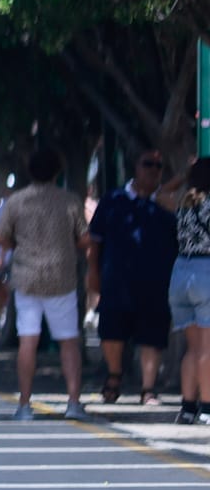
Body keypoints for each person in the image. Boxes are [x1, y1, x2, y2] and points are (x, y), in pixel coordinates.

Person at [0, 148, 91, 421]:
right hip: (62, 277)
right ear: (57, 171)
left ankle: (24, 404)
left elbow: (1, 238)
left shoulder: (16, 202)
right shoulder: (69, 201)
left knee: (28, 341)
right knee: (69, 341)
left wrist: (19, 246)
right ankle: (73, 401)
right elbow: (84, 239)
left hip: (26, 277)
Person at [88, 150, 179, 406]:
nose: (153, 169)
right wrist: (93, 274)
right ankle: (114, 376)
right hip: (116, 281)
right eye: (147, 164)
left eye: (158, 166)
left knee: (153, 337)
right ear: (135, 167)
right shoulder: (113, 200)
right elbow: (95, 242)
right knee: (112, 332)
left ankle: (148, 389)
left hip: (156, 284)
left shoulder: (167, 204)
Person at [163, 158, 210, 424]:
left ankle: (188, 406)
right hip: (206, 271)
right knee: (207, 348)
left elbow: (159, 194)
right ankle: (207, 408)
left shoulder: (183, 203)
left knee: (193, 348)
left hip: (180, 271)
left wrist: (183, 174)